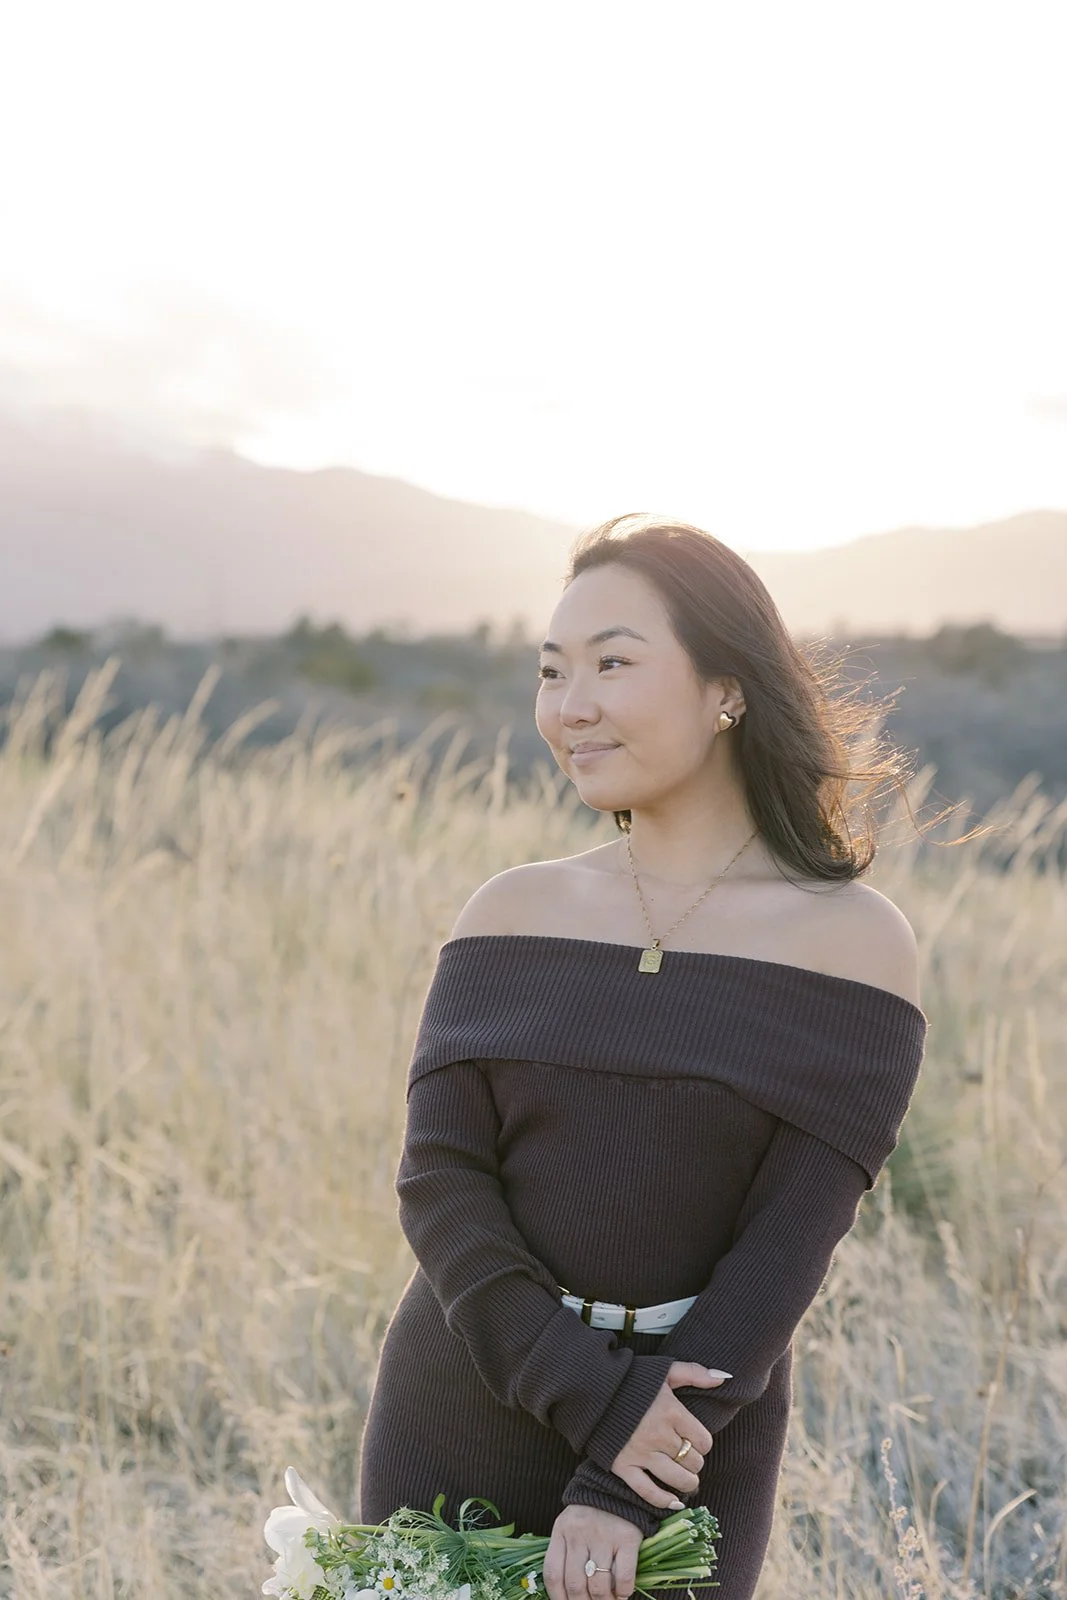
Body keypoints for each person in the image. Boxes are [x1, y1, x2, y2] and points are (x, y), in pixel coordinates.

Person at [358, 514, 930, 1600]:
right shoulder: (508, 911)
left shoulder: (855, 943)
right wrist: (594, 1400)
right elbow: (439, 1185)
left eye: (611, 663)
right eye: (549, 672)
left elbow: (783, 1250)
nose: (569, 706)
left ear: (727, 687)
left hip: (691, 1433)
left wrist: (623, 1483)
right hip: (463, 1394)